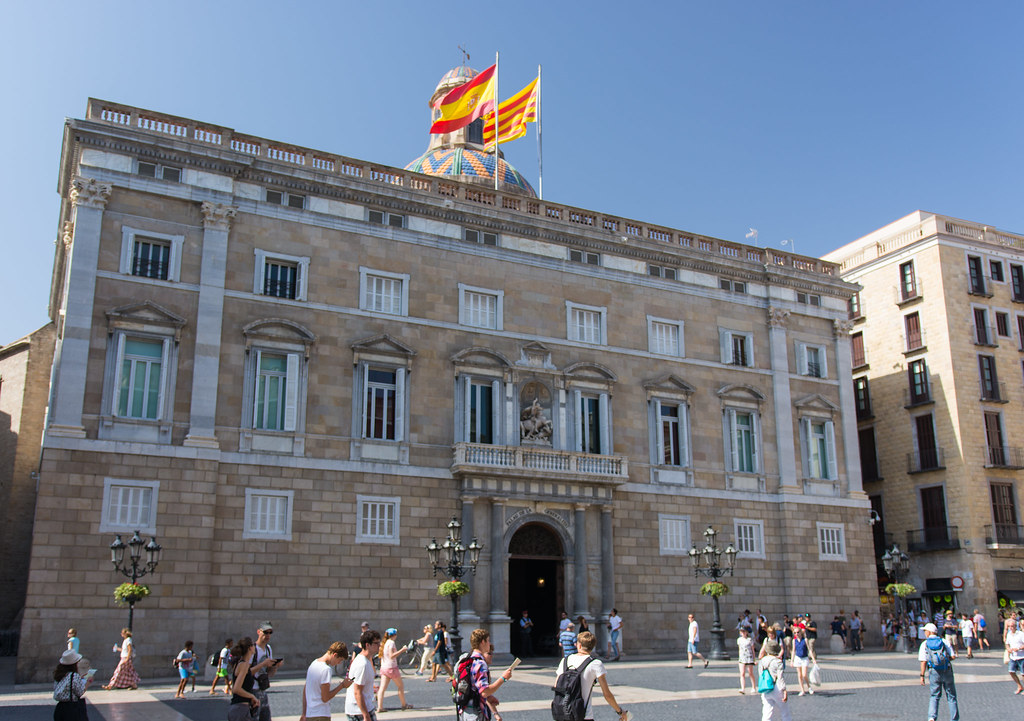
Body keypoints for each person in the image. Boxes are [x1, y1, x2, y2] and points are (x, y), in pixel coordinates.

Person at [555, 630, 628, 721]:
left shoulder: (565, 661)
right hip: (583, 715)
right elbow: (607, 694)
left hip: (562, 714)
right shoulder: (595, 664)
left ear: (579, 645)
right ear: (592, 647)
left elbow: (556, 686)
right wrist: (620, 711)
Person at [458, 628, 513, 721]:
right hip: (476, 712)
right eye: (488, 640)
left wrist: (489, 697)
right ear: (483, 642)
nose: (489, 643)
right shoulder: (480, 663)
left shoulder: (469, 659)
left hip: (465, 710)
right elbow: (484, 692)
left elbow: (474, 688)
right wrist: (503, 678)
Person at [300, 641, 351, 721]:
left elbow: (305, 690)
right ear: (335, 655)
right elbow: (325, 698)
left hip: (310, 713)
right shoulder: (326, 669)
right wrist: (342, 686)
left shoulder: (313, 664)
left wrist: (304, 713)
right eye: (340, 660)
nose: (339, 663)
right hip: (321, 714)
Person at [919, 622, 958, 721]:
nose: (924, 633)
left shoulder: (924, 644)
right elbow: (953, 656)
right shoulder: (944, 641)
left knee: (934, 696)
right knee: (951, 696)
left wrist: (922, 676)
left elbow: (923, 662)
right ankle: (954, 719)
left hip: (934, 671)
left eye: (925, 631)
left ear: (929, 632)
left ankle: (932, 717)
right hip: (946, 670)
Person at [346, 629, 381, 721]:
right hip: (359, 712)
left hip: (364, 708)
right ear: (367, 645)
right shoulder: (362, 664)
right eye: (376, 643)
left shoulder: (366, 660)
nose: (379, 645)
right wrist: (365, 715)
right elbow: (357, 691)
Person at [377, 628, 412, 711]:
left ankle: (380, 707)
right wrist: (402, 650)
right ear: (394, 635)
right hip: (392, 667)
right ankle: (404, 704)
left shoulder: (384, 643)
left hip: (384, 668)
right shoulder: (391, 643)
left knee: (382, 688)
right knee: (400, 686)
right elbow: (391, 655)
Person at [253, 621, 281, 721]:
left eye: (270, 633)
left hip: (262, 689)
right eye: (265, 632)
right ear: (258, 632)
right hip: (252, 690)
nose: (268, 635)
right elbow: (246, 672)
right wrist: (263, 664)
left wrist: (275, 666)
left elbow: (270, 674)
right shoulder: (252, 649)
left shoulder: (268, 649)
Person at [54, 648, 93, 720]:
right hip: (71, 708)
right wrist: (88, 682)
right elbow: (80, 692)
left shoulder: (59, 675)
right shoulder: (74, 675)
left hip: (60, 708)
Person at [229, 637, 262, 721]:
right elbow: (236, 689)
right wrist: (252, 696)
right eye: (254, 645)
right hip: (240, 710)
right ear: (250, 648)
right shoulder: (243, 665)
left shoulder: (242, 663)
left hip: (241, 709)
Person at [757, 639, 790, 721]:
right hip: (777, 687)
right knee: (785, 712)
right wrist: (784, 690)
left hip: (766, 687)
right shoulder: (778, 662)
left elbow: (761, 674)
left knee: (767, 713)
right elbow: (780, 677)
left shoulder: (762, 661)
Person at [1005, 617, 1024, 694]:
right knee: (1011, 671)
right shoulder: (1009, 634)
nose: (1011, 628)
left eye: (1012, 626)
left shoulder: (1021, 634)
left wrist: (1019, 648)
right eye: (1009, 626)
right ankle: (1019, 686)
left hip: (1021, 656)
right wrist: (1008, 649)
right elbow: (1007, 644)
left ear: (1016, 626)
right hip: (1013, 657)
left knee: (1023, 674)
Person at [791, 627, 812, 696]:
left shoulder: (805, 640)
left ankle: (809, 687)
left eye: (798, 632)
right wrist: (792, 660)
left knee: (804, 674)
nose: (796, 634)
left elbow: (809, 649)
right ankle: (802, 690)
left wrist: (813, 658)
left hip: (805, 658)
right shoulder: (794, 641)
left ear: (801, 632)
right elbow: (793, 650)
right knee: (799, 675)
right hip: (798, 658)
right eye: (795, 633)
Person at [737, 626, 757, 694]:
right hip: (742, 658)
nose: (742, 633)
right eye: (741, 631)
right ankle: (743, 688)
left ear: (746, 632)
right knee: (742, 673)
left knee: (750, 673)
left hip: (749, 658)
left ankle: (753, 687)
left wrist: (754, 659)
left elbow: (753, 650)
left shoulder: (749, 640)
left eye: (743, 631)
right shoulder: (739, 640)